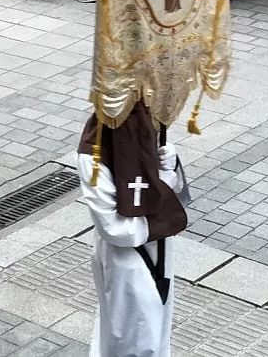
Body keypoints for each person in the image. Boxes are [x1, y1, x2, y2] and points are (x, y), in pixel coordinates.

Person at [73, 102, 185, 357]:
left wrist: (172, 166)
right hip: (126, 259)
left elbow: (176, 193)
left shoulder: (145, 132)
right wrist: (163, 192)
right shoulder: (93, 154)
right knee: (131, 338)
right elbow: (114, 227)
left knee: (156, 331)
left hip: (159, 247)